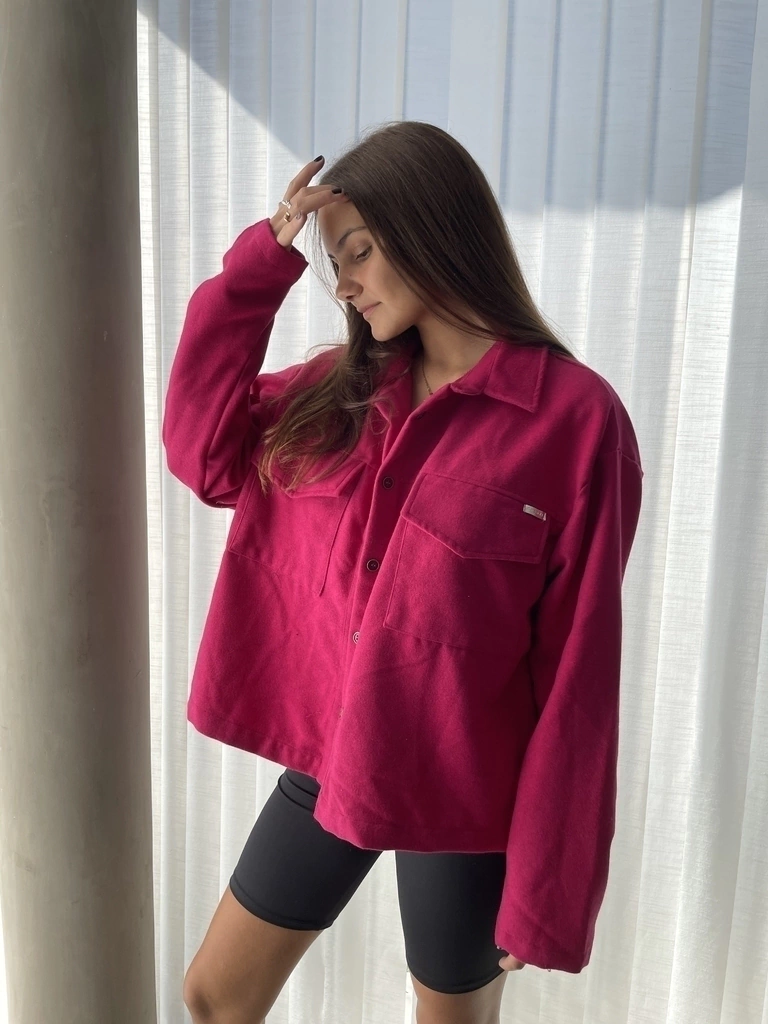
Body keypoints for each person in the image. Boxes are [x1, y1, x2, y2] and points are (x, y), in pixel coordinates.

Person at [164, 121, 644, 1024]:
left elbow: (580, 671)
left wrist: (549, 884)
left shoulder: (577, 422)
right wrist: (262, 266)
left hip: (467, 793)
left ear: (431, 228)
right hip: (334, 756)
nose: (341, 284)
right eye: (333, 261)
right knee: (215, 996)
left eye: (357, 251)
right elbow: (203, 454)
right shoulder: (336, 393)